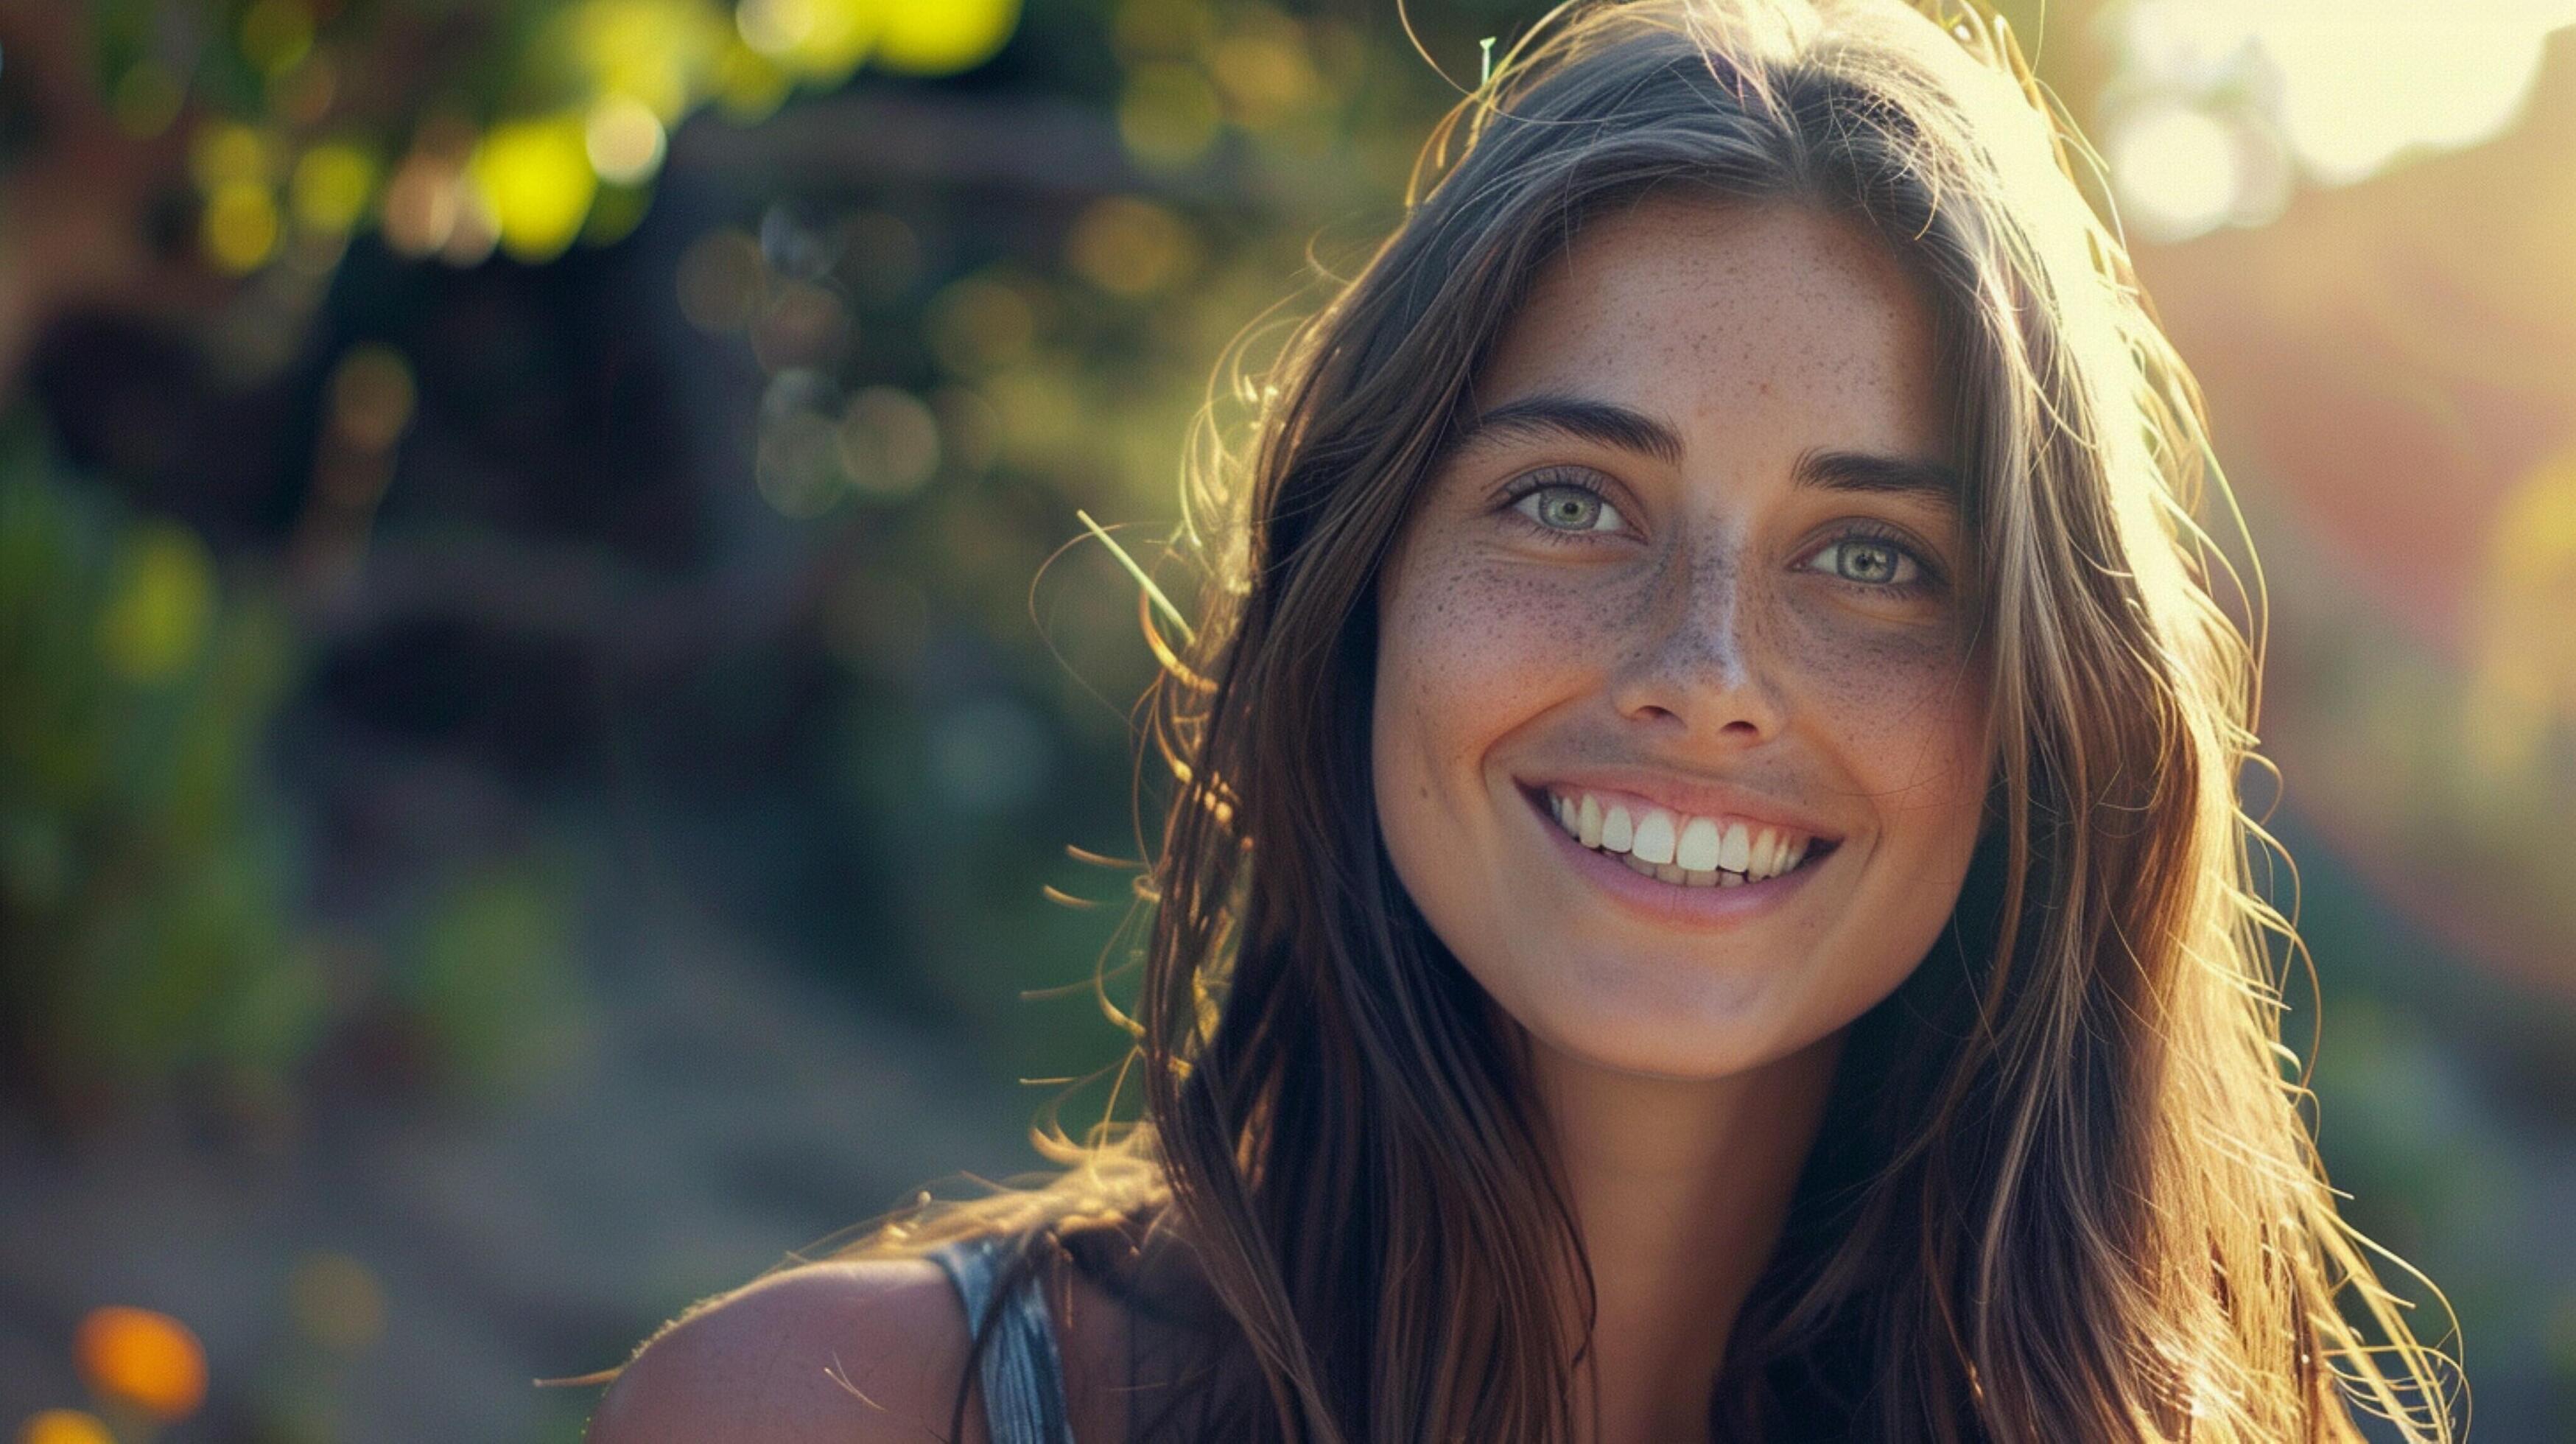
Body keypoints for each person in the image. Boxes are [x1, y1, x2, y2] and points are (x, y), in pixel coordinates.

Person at [582, 0, 2461, 1438]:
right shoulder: (829, 1412)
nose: (1706, 668)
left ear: (2046, 719)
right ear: (1361, 584)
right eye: (1571, 499)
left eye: (1875, 556)